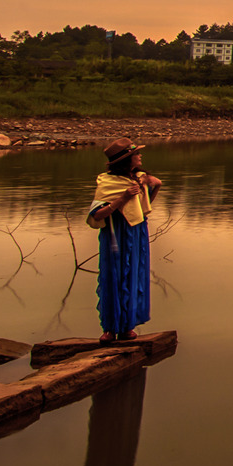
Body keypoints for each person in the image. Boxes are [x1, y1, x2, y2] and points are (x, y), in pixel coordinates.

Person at [87, 139, 162, 343]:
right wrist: (123, 198)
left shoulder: (137, 178)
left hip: (136, 230)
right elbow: (97, 214)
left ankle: (128, 326)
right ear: (126, 160)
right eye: (136, 154)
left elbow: (143, 207)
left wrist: (153, 187)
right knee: (113, 275)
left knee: (134, 275)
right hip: (116, 231)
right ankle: (110, 328)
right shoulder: (108, 183)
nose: (140, 157)